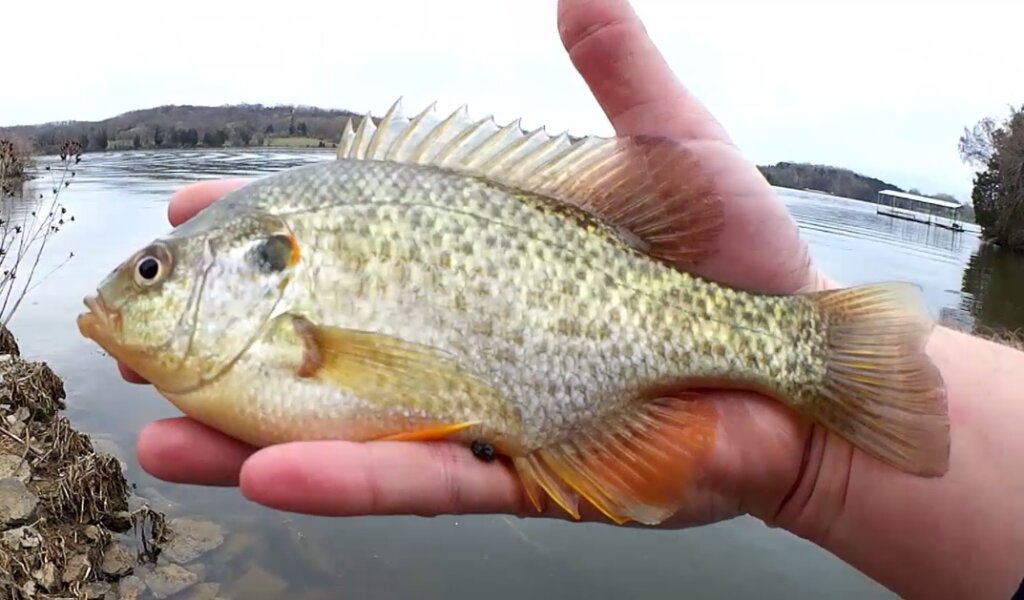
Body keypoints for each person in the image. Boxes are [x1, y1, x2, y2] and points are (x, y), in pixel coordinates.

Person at [116, 1, 1024, 598]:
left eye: (155, 272)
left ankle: (813, 355)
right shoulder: (270, 282)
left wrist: (812, 374)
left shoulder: (284, 268)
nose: (134, 290)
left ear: (266, 262)